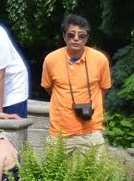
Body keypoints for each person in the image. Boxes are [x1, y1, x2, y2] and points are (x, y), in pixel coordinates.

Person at [40, 14, 112, 153]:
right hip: (59, 132)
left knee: (95, 174)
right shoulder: (51, 59)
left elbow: (104, 88)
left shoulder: (100, 60)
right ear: (64, 36)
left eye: (82, 35)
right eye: (71, 35)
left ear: (87, 37)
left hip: (91, 130)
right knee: (55, 174)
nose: (76, 39)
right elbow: (49, 88)